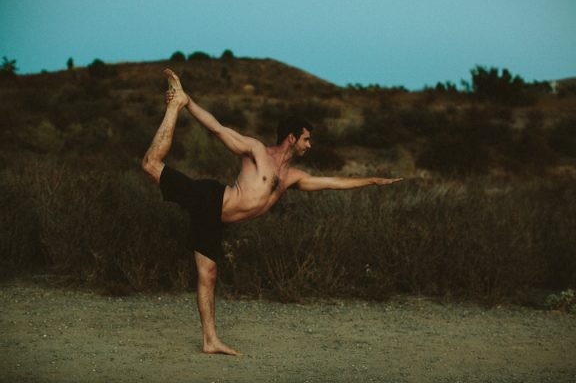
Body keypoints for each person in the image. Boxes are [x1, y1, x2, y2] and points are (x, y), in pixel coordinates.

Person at [141, 69, 403, 356]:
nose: (309, 145)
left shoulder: (291, 177)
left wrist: (372, 181)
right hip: (210, 198)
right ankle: (174, 106)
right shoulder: (256, 151)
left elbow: (333, 183)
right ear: (291, 138)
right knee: (151, 164)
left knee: (209, 274)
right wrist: (187, 102)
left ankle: (209, 341)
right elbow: (217, 129)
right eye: (306, 139)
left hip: (215, 219)